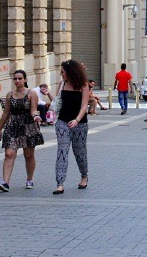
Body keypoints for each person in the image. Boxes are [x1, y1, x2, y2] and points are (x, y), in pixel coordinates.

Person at [0, 70, 44, 192]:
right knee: (9, 153)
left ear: (25, 80)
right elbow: (6, 113)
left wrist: (36, 117)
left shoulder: (31, 93)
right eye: (15, 78)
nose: (17, 81)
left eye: (20, 78)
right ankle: (5, 182)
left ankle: (29, 179)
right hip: (12, 126)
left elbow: (33, 110)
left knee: (29, 155)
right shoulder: (10, 94)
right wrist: (0, 128)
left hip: (28, 126)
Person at [54, 59, 91, 195]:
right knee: (62, 151)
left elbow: (84, 106)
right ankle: (60, 183)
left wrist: (76, 120)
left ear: (70, 72)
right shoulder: (62, 84)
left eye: (63, 72)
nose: (61, 74)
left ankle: (84, 175)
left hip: (80, 123)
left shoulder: (83, 85)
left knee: (79, 152)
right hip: (62, 122)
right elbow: (57, 101)